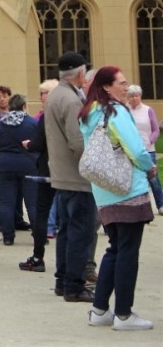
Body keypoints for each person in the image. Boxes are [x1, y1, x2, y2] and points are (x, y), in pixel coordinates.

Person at [79, 66, 157, 331]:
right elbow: (136, 148)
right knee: (128, 251)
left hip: (104, 189)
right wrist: (149, 166)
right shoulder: (116, 112)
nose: (126, 87)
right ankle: (123, 313)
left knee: (115, 247)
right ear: (106, 87)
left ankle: (100, 309)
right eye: (121, 83)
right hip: (127, 188)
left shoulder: (89, 113)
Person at [44, 51, 98, 303]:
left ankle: (63, 280)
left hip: (61, 173)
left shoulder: (56, 94)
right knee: (81, 231)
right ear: (79, 73)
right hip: (77, 176)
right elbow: (78, 142)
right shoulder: (72, 100)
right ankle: (74, 285)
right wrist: (96, 164)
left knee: (66, 230)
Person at [0, 93, 38, 246]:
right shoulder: (33, 123)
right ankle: (38, 235)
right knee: (32, 203)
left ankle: (8, 236)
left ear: (9, 107)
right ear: (24, 106)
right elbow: (40, 145)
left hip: (5, 164)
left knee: (6, 202)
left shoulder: (0, 124)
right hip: (28, 164)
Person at [20, 79, 59, 273]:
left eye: (43, 93)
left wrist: (28, 144)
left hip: (48, 168)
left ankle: (38, 256)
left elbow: (39, 143)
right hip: (65, 169)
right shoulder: (68, 113)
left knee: (41, 211)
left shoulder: (47, 116)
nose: (40, 96)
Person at [126, 85, 163, 214]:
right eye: (131, 96)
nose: (134, 98)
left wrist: (149, 141)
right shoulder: (125, 110)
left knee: (153, 178)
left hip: (147, 149)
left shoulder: (148, 110)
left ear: (140, 96)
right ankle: (136, 206)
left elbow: (156, 130)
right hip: (131, 149)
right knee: (133, 179)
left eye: (136, 95)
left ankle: (160, 204)